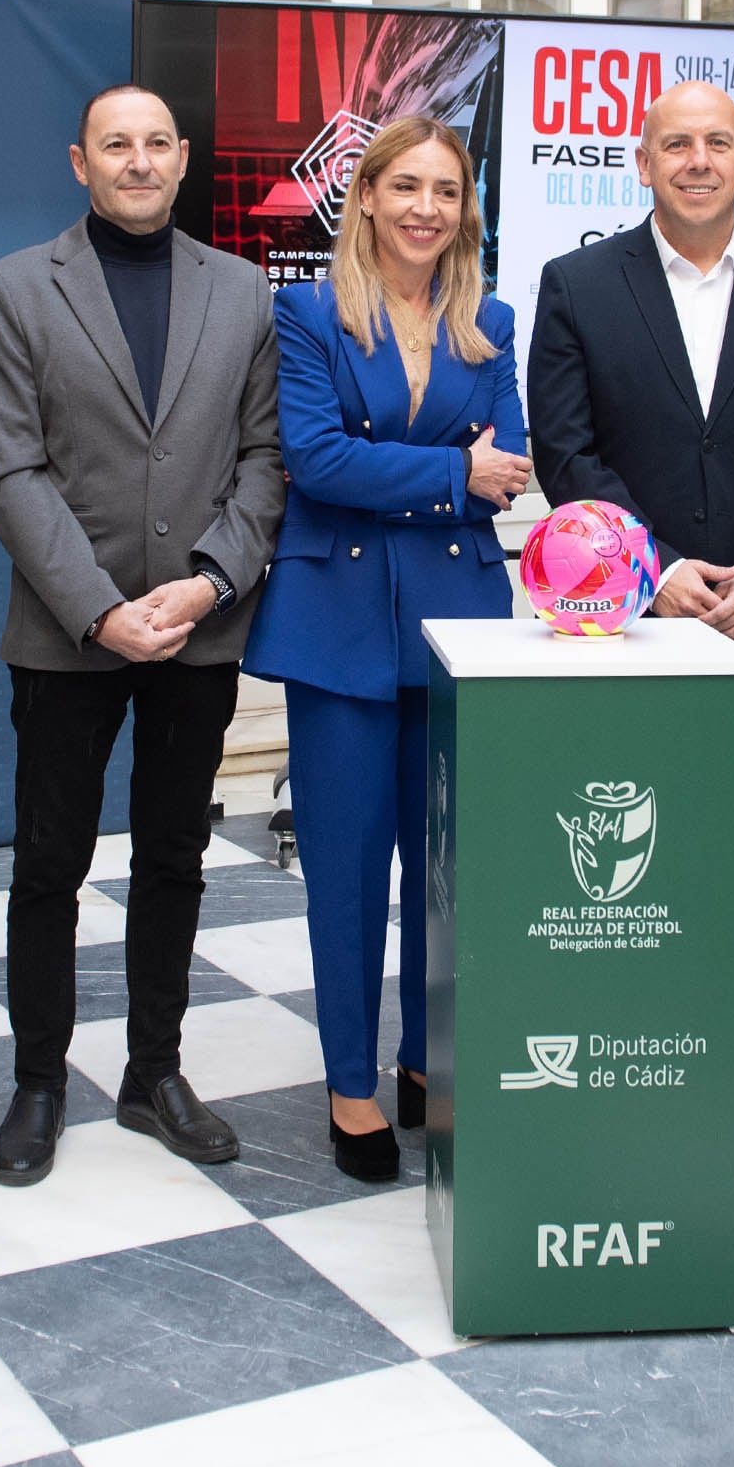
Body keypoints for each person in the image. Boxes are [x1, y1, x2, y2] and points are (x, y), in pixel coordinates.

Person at [529, 81, 734, 1163]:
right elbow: (566, 454)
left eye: (714, 142)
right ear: (639, 161)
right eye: (673, 143)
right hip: (630, 628)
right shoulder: (578, 283)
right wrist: (659, 571)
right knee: (627, 867)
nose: (694, 160)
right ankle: (632, 1056)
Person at [0, 84, 285, 1184]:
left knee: (174, 857)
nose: (138, 161)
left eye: (156, 144)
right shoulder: (17, 287)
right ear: (80, 162)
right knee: (46, 862)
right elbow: (10, 469)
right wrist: (101, 609)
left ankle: (153, 1070)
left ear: (184, 158)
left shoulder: (243, 292)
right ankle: (38, 1081)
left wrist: (205, 585)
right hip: (68, 635)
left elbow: (264, 460)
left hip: (197, 632)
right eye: (117, 144)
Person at [244, 118, 532, 1180]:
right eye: (403, 185)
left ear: (465, 209)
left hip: (457, 620)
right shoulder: (308, 313)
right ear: (362, 194)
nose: (424, 207)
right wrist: (452, 476)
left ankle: (426, 1060)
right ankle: (350, 1084)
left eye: (445, 191)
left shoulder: (491, 320)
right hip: (338, 626)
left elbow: (513, 460)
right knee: (348, 868)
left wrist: (420, 466)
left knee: (446, 867)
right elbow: (315, 461)